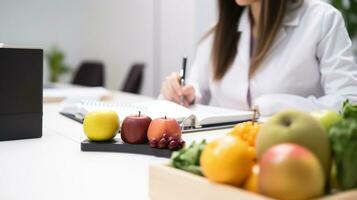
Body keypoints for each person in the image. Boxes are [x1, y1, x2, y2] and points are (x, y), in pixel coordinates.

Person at [160, 0, 357, 116]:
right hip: (226, 155)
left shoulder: (322, 20)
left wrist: (276, 106)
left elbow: (349, 102)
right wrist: (185, 91)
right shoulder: (222, 29)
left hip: (292, 155)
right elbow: (198, 85)